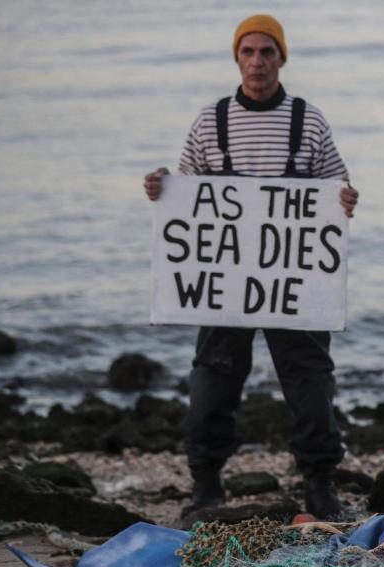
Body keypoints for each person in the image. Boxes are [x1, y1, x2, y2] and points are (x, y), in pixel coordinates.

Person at [144, 15, 359, 520]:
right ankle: (206, 484)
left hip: (295, 282)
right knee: (212, 381)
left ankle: (320, 485)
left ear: (282, 58)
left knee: (310, 381)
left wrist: (347, 198)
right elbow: (188, 197)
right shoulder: (209, 121)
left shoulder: (308, 120)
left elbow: (335, 188)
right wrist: (160, 187)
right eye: (249, 52)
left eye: (267, 52)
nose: (258, 61)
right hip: (225, 284)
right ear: (236, 58)